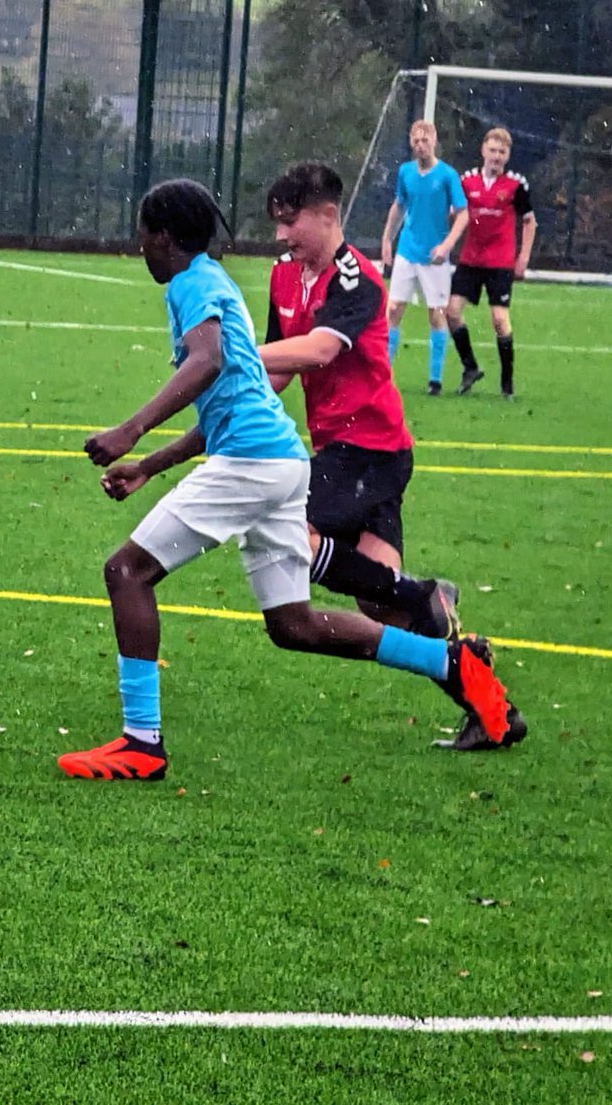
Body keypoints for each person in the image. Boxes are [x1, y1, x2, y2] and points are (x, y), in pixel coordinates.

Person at [57, 178, 514, 781]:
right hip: (278, 461)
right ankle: (451, 663)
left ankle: (141, 743)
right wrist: (149, 466)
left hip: (254, 465)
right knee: (293, 626)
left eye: (143, 237)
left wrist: (131, 430)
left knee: (126, 572)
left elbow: (207, 363)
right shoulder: (215, 284)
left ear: (165, 238)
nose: (140, 248)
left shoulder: (193, 284)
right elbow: (231, 403)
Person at [259, 161, 526, 753]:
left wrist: (235, 356)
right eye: (276, 224)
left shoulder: (357, 281)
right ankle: (495, 712)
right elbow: (278, 369)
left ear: (328, 216)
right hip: (352, 449)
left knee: (289, 537)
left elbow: (321, 350)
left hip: (368, 449)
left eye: (291, 222)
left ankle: (424, 594)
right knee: (377, 597)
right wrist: (222, 402)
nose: (281, 236)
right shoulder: (283, 277)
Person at [447, 127, 537, 399]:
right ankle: (470, 367)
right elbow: (456, 214)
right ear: (483, 150)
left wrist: (523, 257)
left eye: (502, 152)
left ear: (508, 156)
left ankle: (506, 384)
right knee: (451, 312)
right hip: (471, 259)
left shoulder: (515, 185)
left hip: (500, 262)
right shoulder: (467, 182)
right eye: (493, 150)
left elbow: (529, 221)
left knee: (499, 319)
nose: (496, 156)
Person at [381, 120, 468, 395]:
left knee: (436, 314)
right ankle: (384, 377)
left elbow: (463, 214)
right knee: (393, 310)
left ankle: (435, 379)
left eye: (425, 140)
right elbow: (399, 205)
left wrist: (446, 246)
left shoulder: (447, 175)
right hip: (408, 249)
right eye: (415, 141)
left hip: (434, 257)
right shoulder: (405, 172)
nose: (420, 145)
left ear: (434, 140)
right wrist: (386, 239)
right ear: (411, 142)